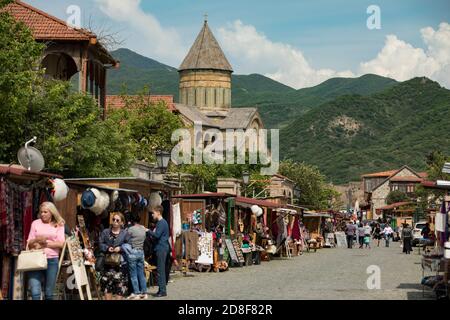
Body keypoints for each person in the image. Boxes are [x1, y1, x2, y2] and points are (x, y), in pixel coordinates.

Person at [26, 202, 65, 300]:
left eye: (45, 212)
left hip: (51, 260)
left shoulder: (59, 224)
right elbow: (29, 242)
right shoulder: (35, 223)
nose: (42, 214)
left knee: (49, 293)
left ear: (52, 212)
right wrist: (37, 239)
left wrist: (44, 243)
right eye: (41, 212)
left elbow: (61, 244)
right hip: (35, 259)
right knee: (35, 293)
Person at [98, 212, 130, 300]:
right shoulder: (105, 232)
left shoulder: (125, 233)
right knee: (107, 288)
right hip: (107, 265)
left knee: (119, 289)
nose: (115, 221)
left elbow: (129, 246)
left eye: (117, 220)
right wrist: (107, 248)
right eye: (113, 219)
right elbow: (100, 244)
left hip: (120, 266)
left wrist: (120, 248)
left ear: (122, 222)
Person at [124, 212, 148, 300]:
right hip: (141, 252)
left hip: (133, 252)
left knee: (133, 274)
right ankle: (144, 292)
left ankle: (136, 292)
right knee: (141, 273)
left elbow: (125, 238)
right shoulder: (143, 228)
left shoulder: (131, 229)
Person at [147, 205, 170, 297]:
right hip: (162, 247)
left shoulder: (161, 222)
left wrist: (148, 230)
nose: (152, 215)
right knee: (161, 269)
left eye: (153, 213)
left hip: (161, 248)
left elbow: (156, 235)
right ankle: (161, 289)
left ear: (158, 212)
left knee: (160, 270)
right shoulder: (162, 222)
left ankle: (162, 291)